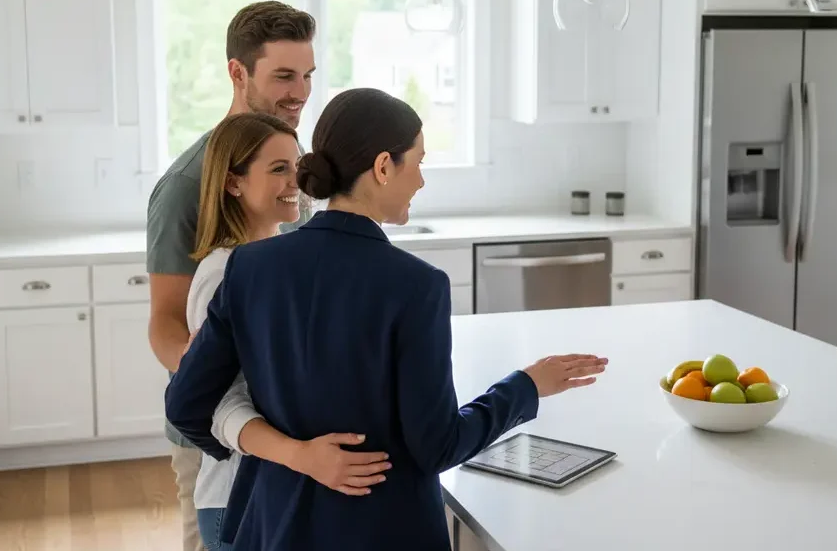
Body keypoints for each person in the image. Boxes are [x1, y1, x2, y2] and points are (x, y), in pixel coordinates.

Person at [165, 88, 609, 551]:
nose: (420, 181)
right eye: (417, 163)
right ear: (382, 167)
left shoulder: (249, 268)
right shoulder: (417, 286)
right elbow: (437, 446)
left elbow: (185, 405)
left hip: (271, 527)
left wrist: (278, 459)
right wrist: (527, 386)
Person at [145, 0, 317, 551]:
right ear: (237, 73)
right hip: (215, 442)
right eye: (284, 76)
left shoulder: (292, 171)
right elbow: (166, 325)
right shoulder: (185, 187)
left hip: (282, 431)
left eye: (308, 75)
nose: (301, 92)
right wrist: (223, 401)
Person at [185, 112, 391, 550]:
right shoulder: (222, 272)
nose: (294, 181)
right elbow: (219, 403)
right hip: (235, 499)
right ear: (233, 182)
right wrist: (301, 456)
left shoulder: (284, 261)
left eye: (296, 167)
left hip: (285, 486)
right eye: (277, 169)